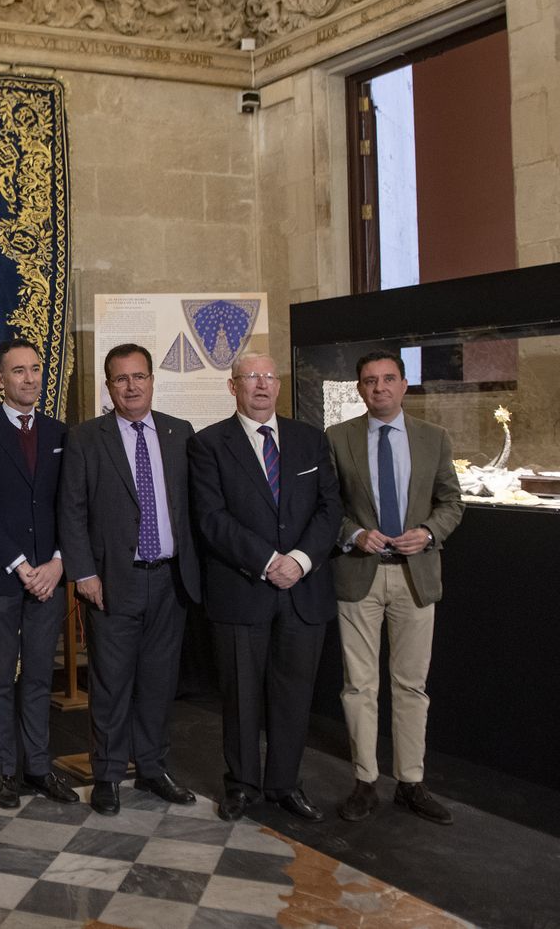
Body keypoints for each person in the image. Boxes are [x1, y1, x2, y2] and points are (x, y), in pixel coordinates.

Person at [187, 352, 341, 823]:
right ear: (232, 386)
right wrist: (268, 562)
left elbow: (330, 510)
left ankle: (284, 784)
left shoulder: (310, 440)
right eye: (251, 377)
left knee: (294, 695)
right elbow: (211, 519)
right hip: (241, 589)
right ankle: (242, 785)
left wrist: (299, 561)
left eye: (269, 377)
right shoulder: (208, 444)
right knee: (241, 696)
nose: (261, 385)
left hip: (303, 590)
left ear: (278, 385)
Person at [60, 343, 202, 814]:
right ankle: (107, 775)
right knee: (111, 684)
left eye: (139, 376)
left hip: (169, 581)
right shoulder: (86, 438)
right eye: (121, 379)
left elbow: (193, 506)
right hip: (112, 582)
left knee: (159, 683)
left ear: (152, 380)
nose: (131, 386)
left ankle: (153, 769)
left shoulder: (180, 432)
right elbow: (72, 510)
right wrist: (84, 573)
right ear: (109, 386)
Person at [327, 350, 464, 825]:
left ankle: (410, 782)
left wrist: (427, 532)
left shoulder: (434, 437)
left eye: (388, 379)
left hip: (415, 576)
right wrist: (353, 534)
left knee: (411, 684)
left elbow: (452, 502)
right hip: (358, 574)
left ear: (404, 385)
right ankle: (365, 782)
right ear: (359, 389)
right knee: (359, 686)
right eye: (370, 381)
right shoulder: (337, 438)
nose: (379, 387)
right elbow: (327, 507)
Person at [0, 338, 77, 809]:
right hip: (1, 575)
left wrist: (59, 562)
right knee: (2, 678)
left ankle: (39, 768)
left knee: (41, 678)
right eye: (18, 371)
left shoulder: (61, 433)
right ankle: (6, 771)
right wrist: (22, 566)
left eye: (35, 369)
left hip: (50, 575)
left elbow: (70, 504)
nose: (30, 378)